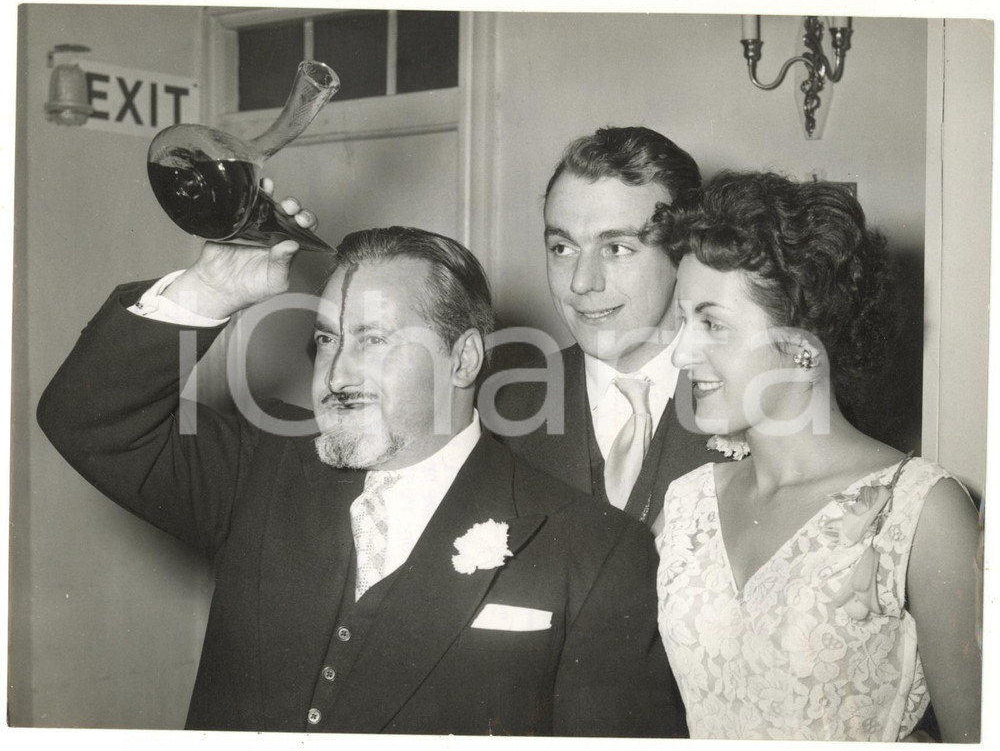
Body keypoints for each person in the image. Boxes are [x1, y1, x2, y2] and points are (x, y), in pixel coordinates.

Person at [36, 201, 685, 736]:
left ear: (462, 360)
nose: (338, 374)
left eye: (373, 339)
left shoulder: (592, 551)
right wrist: (210, 290)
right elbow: (88, 419)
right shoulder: (256, 473)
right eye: (327, 339)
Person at [653, 171, 981, 741]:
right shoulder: (686, 506)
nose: (681, 353)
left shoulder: (924, 511)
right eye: (683, 322)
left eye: (712, 324)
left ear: (804, 346)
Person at [491, 126, 723, 529]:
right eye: (562, 248)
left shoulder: (756, 399)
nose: (581, 282)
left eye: (616, 248)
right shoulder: (502, 410)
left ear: (684, 252)